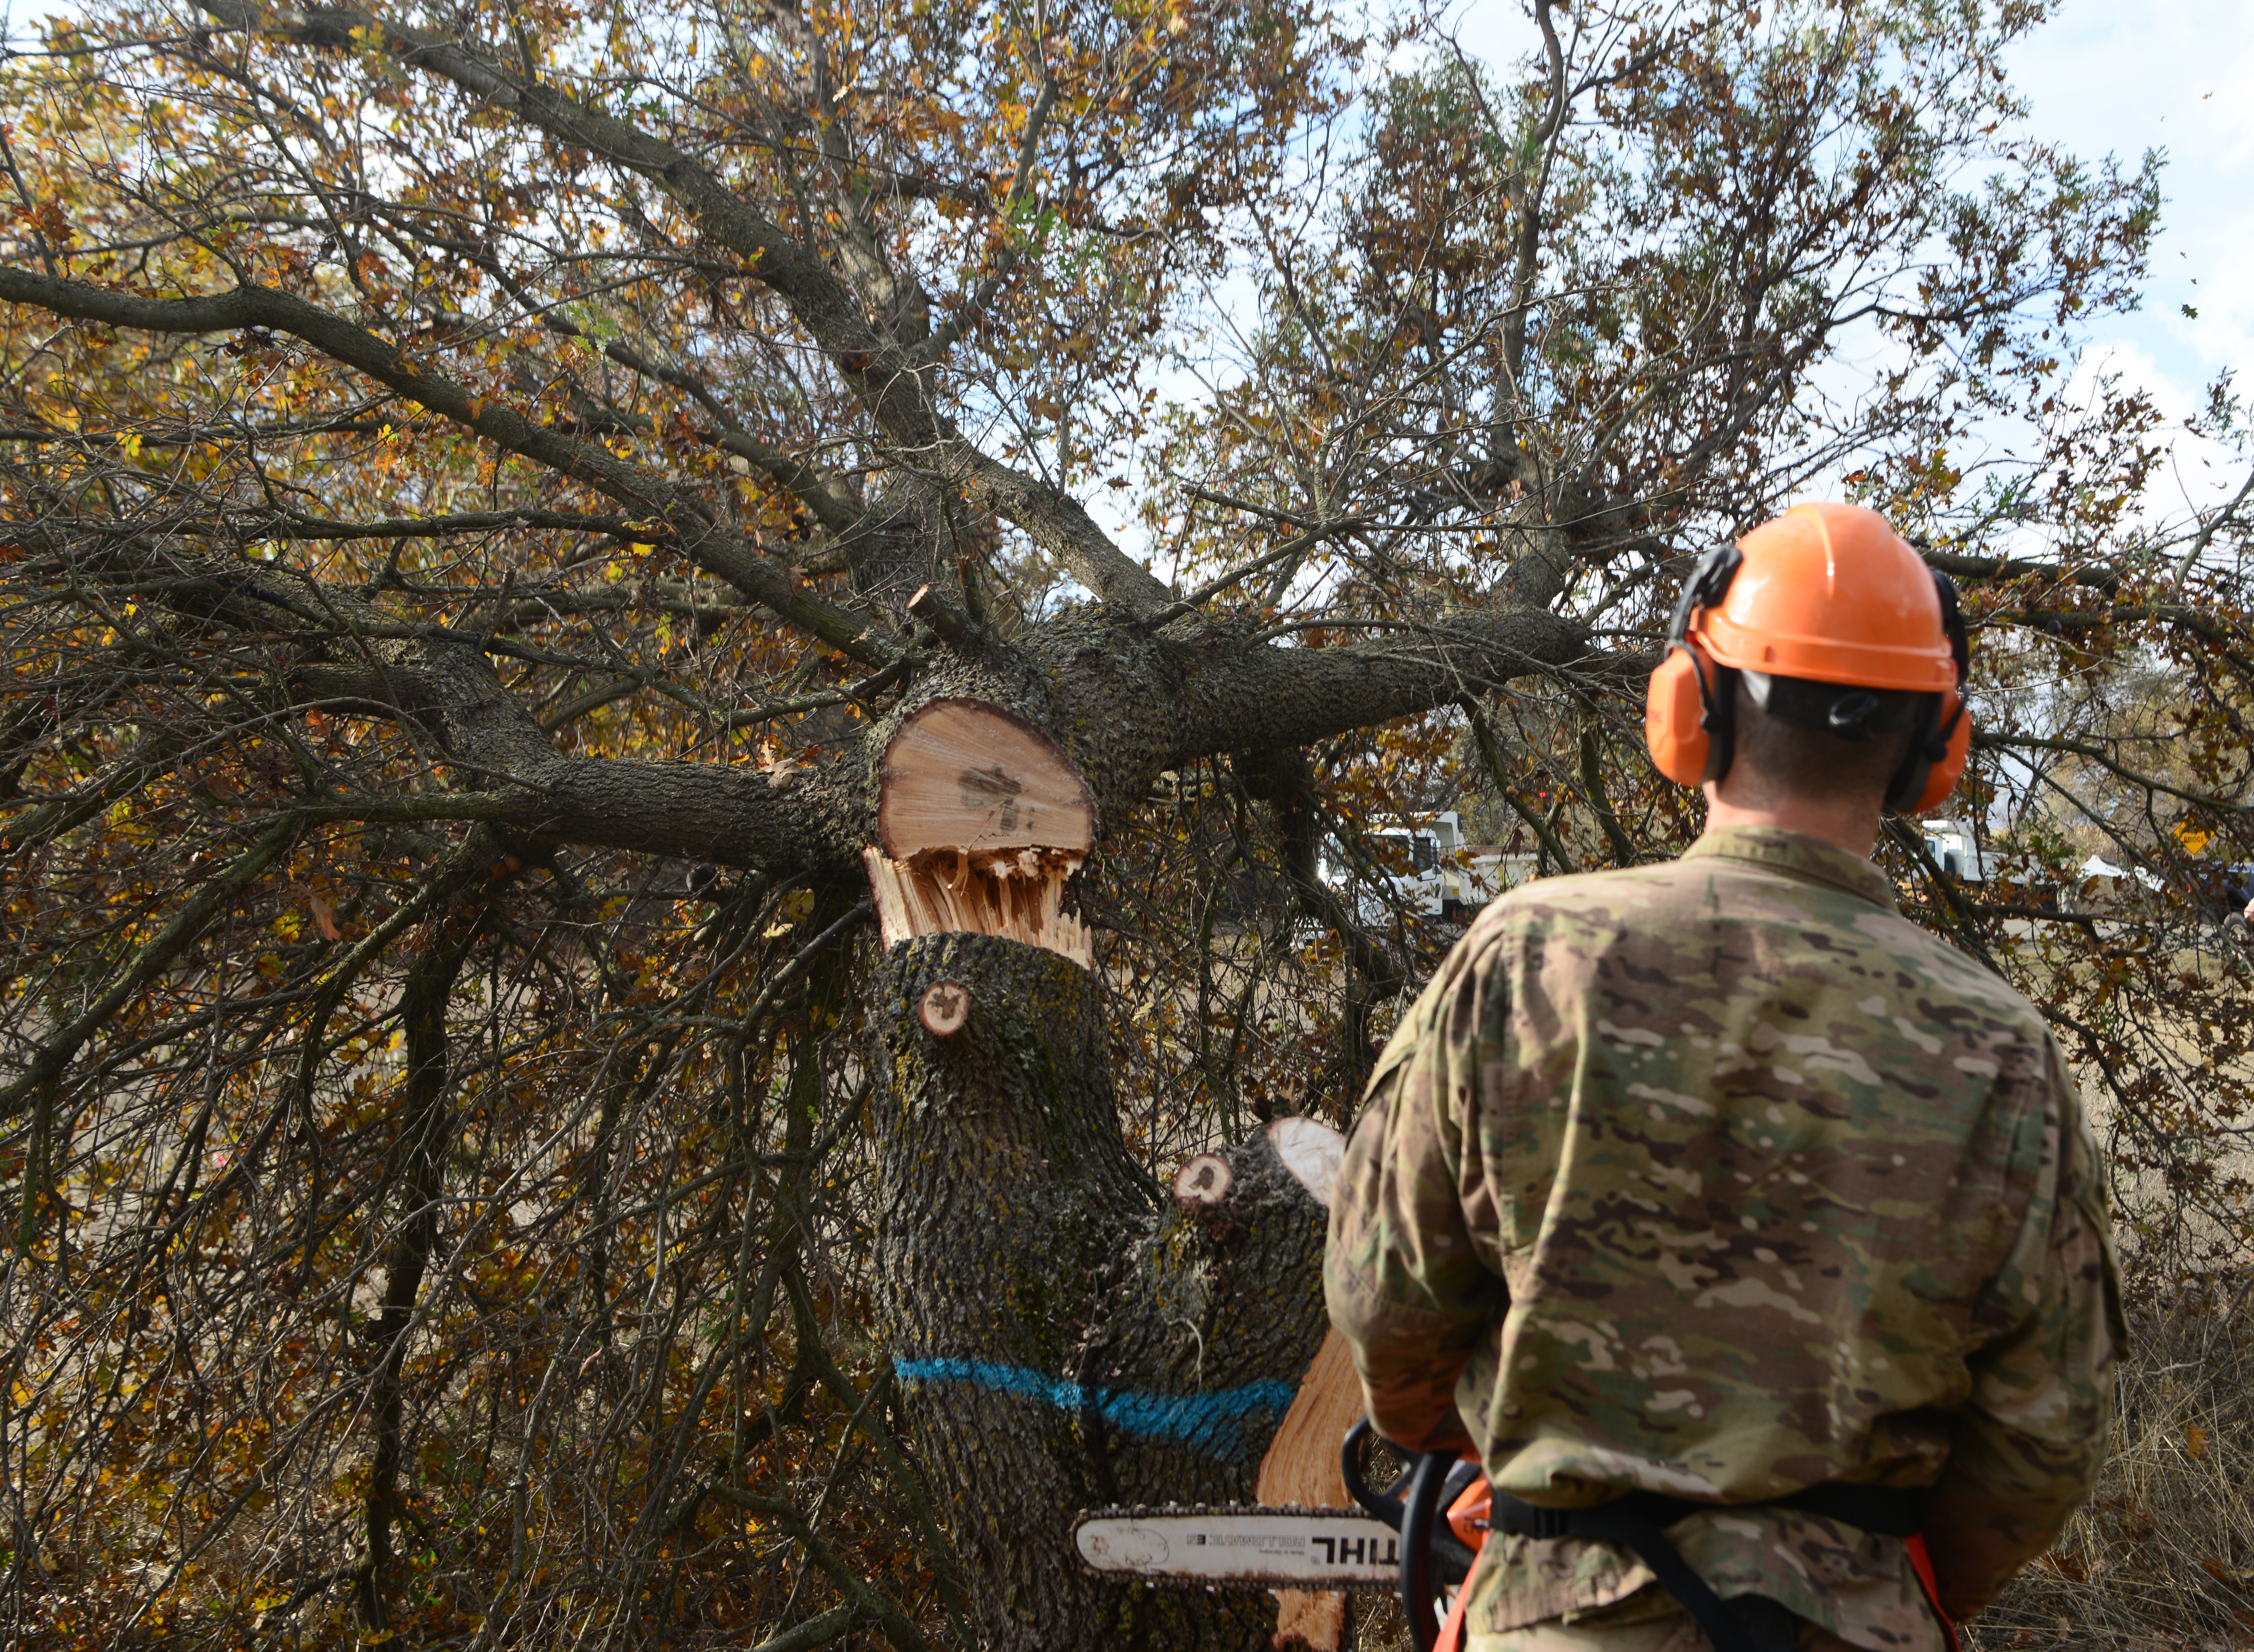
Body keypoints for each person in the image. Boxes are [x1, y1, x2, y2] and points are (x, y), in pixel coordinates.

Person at [1325, 502, 2122, 1652]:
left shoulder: (1525, 960)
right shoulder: (2004, 1050)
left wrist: (1501, 1466)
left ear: (1690, 707)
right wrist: (1871, 1587)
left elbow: (1387, 1307)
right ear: (1935, 750)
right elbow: (2045, 1435)